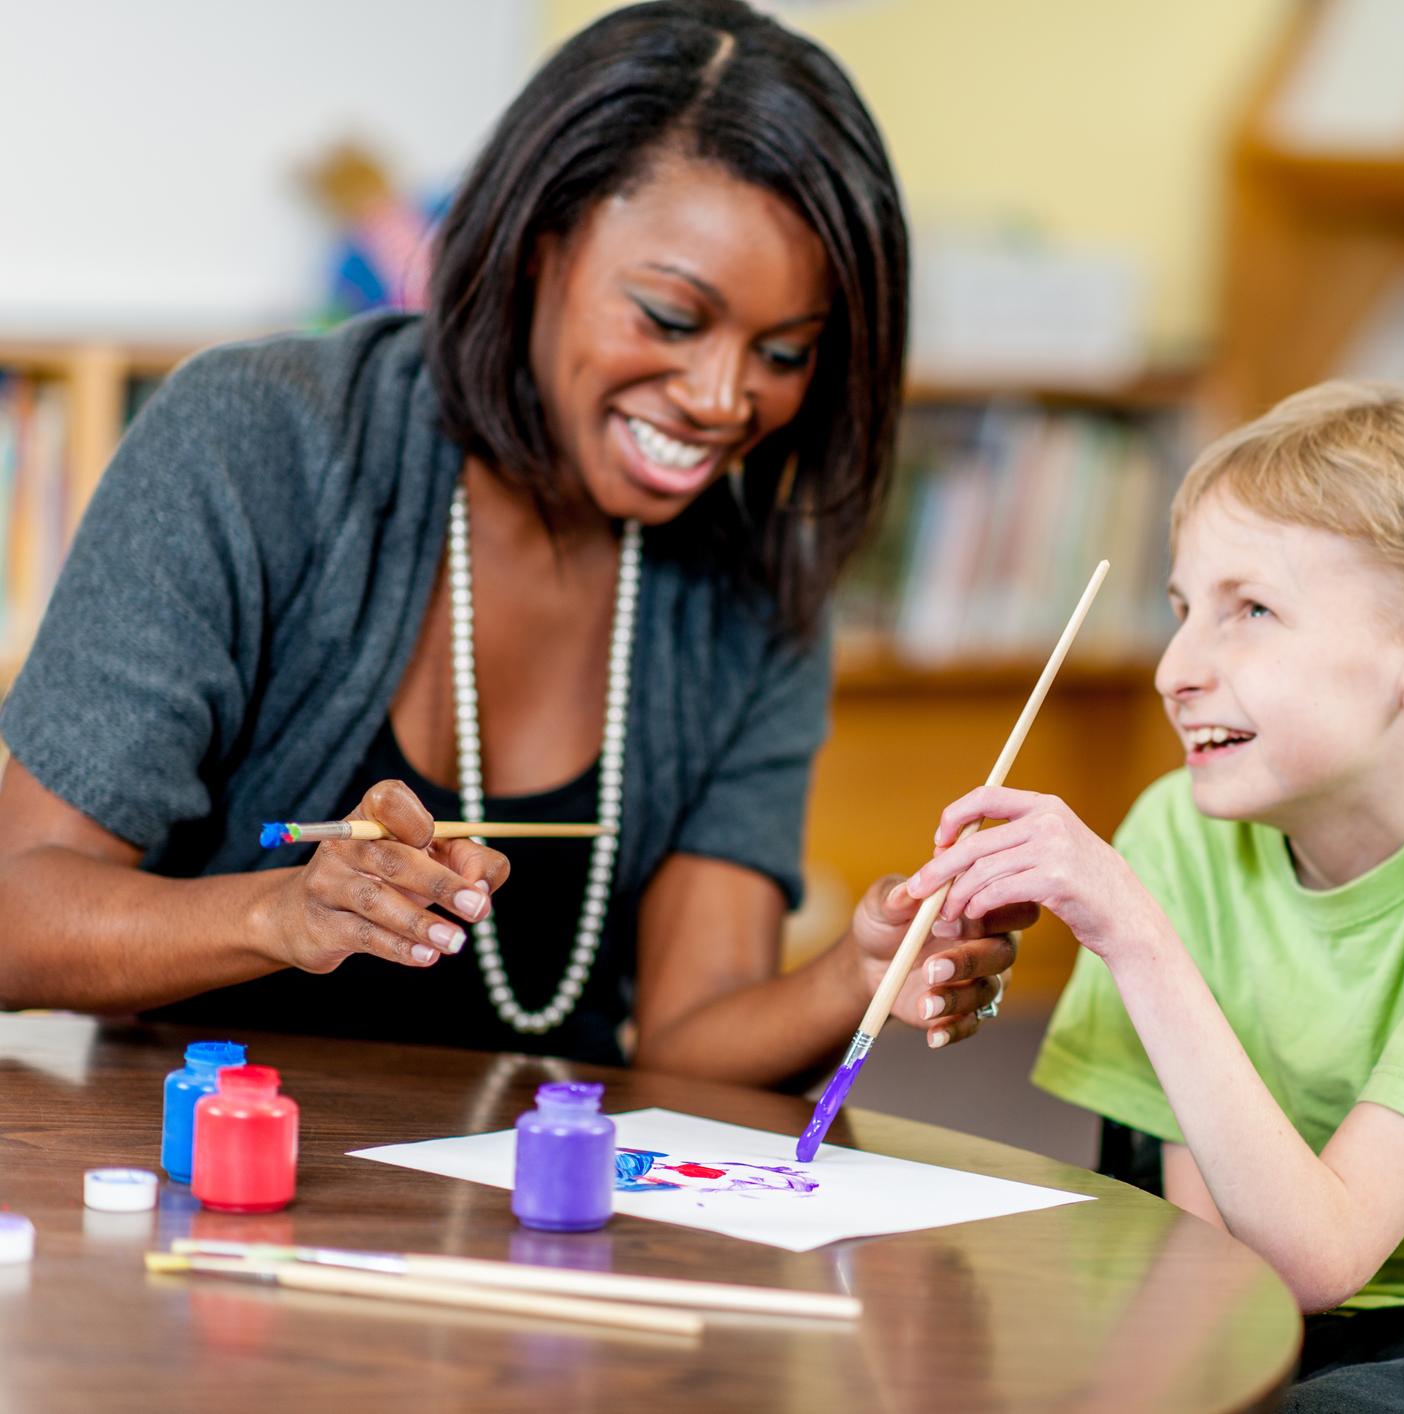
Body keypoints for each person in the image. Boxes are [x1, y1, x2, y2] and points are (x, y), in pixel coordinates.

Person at [0, 0, 1024, 1077]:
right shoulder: (256, 439)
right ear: (539, 247)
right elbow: (17, 914)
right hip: (206, 1187)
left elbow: (693, 1033)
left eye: (784, 350)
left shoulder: (754, 575)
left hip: (546, 1211)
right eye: (672, 319)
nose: (724, 399)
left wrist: (861, 975)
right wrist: (281, 914)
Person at [899, 383, 1404, 1412]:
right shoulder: (1175, 832)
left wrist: (1133, 936)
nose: (1174, 669)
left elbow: (1318, 1262)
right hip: (1282, 1293)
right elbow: (1221, 1265)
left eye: (1249, 609)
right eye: (1181, 608)